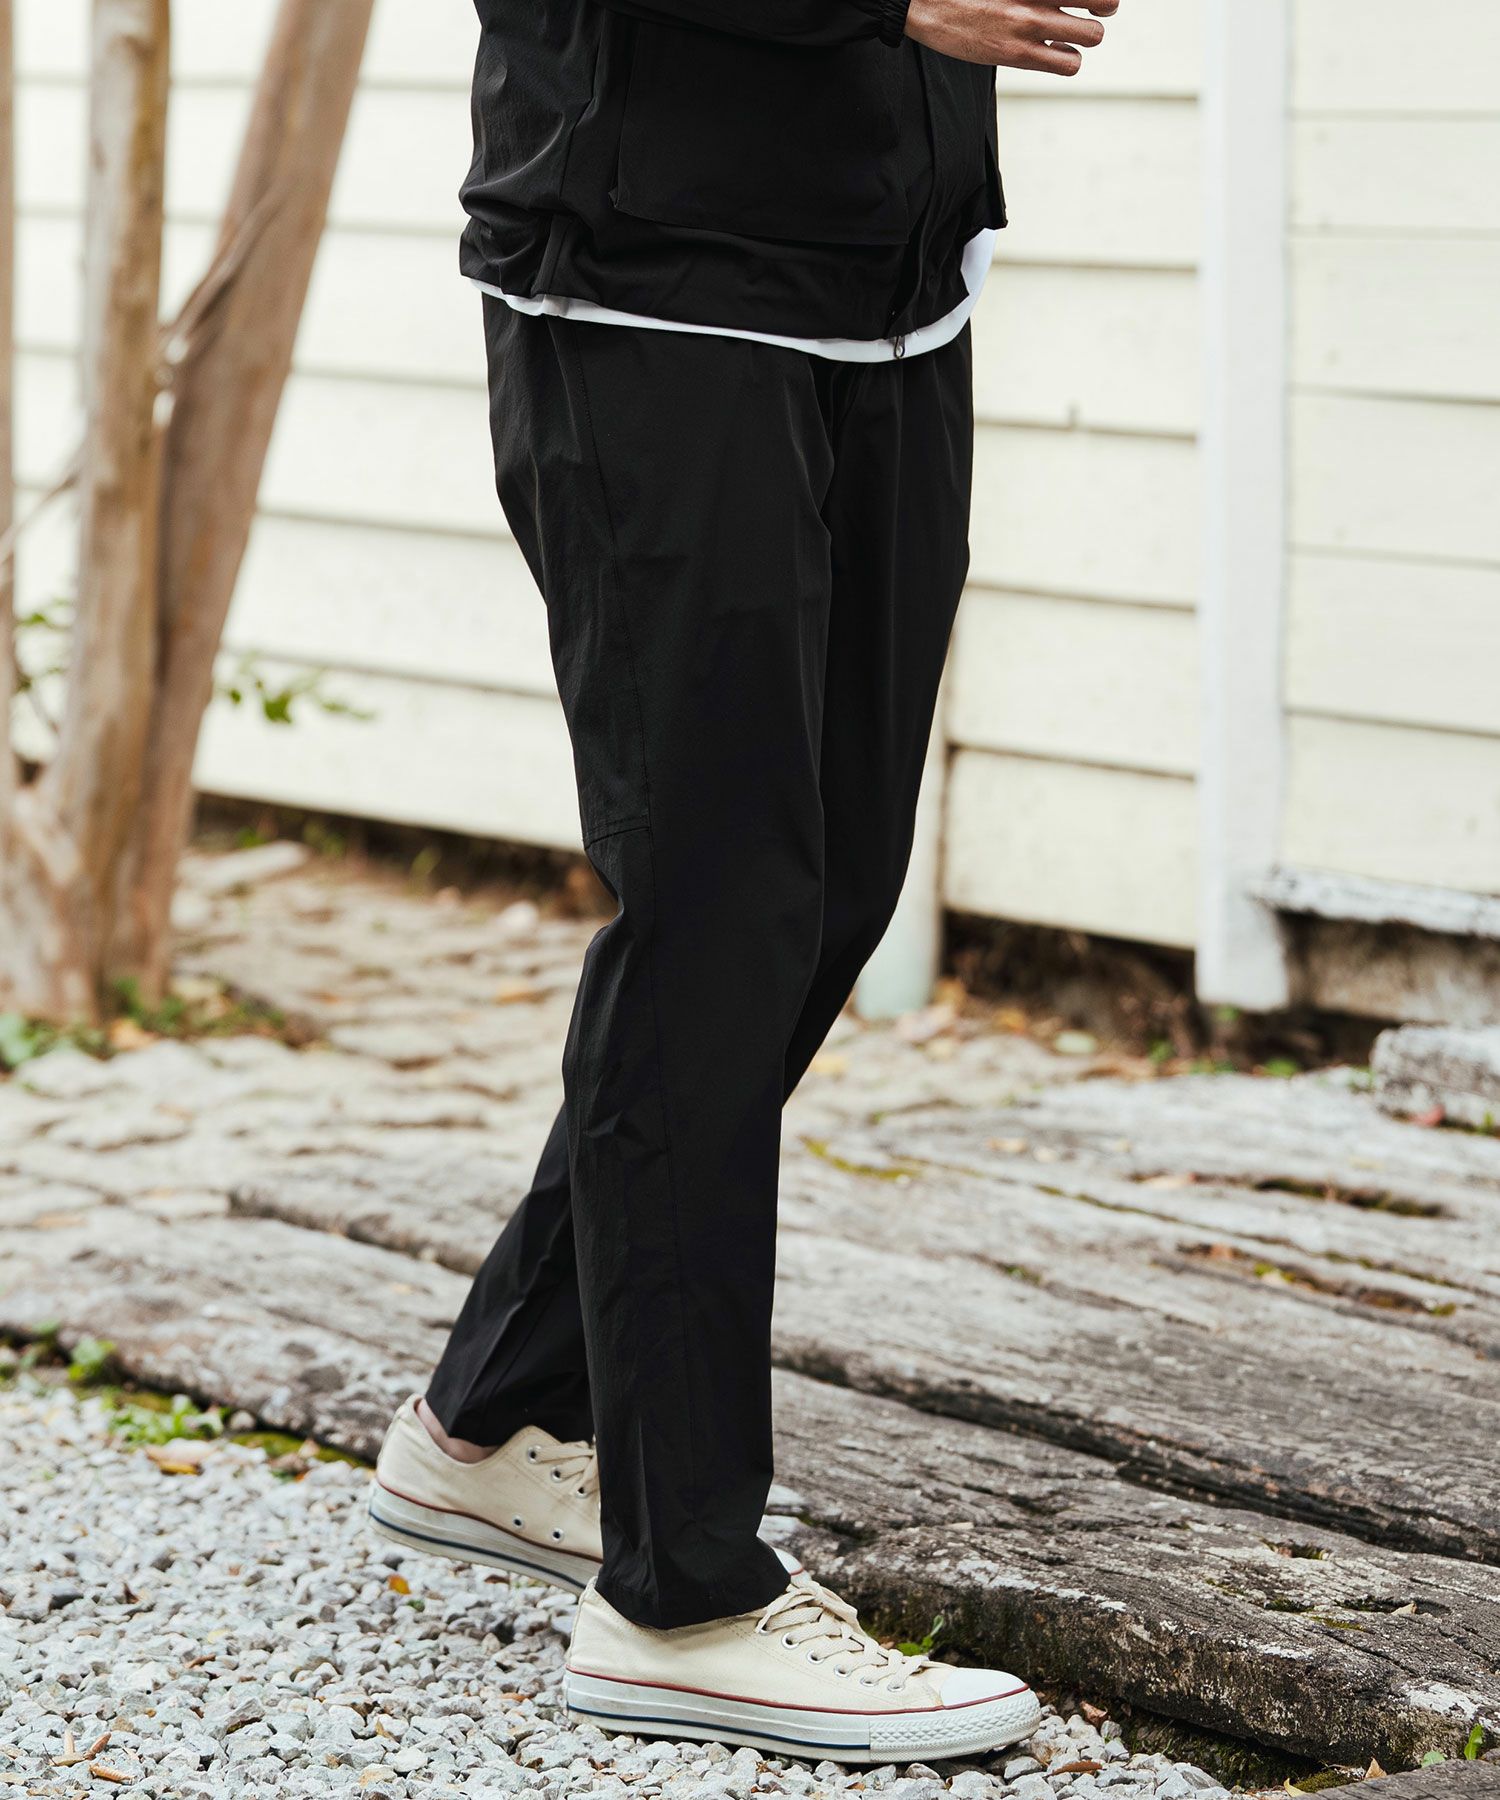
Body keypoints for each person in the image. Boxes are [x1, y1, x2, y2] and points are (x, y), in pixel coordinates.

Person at [369, 0, 1118, 1764]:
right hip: (649, 284)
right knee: (714, 908)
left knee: (829, 888)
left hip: (892, 277)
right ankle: (682, 1598)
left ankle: (494, 1419)